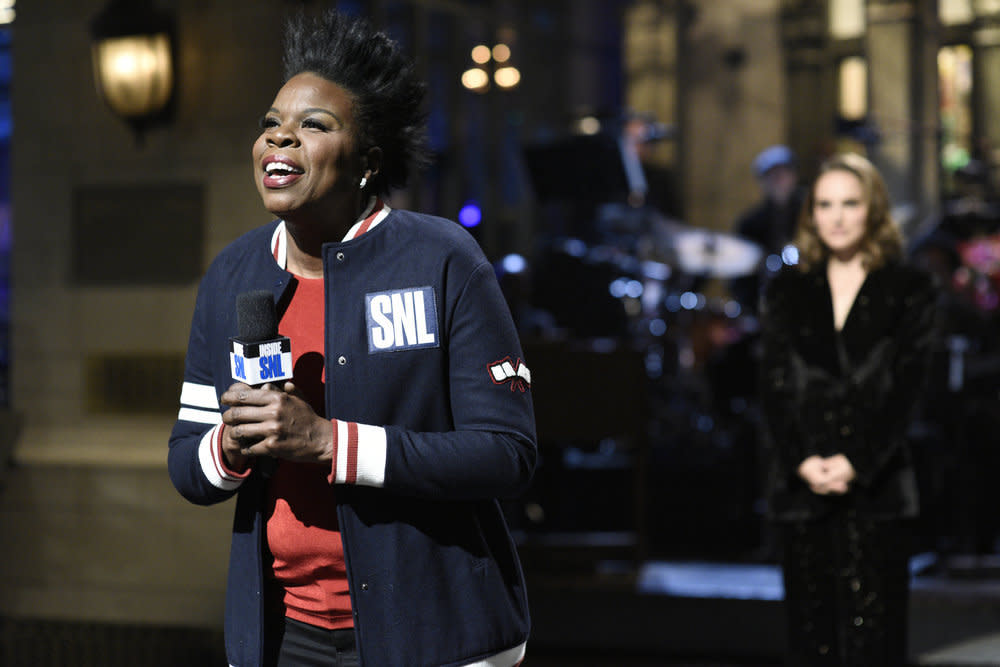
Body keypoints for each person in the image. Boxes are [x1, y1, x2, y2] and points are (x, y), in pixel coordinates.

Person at [167, 9, 537, 667]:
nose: (281, 139)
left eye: (313, 125)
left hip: (435, 632)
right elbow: (186, 464)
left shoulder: (443, 260)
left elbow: (506, 455)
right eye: (271, 124)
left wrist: (329, 441)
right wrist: (233, 441)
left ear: (368, 161)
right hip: (285, 635)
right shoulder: (231, 275)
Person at [759, 153, 937, 666]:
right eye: (825, 204)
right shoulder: (787, 292)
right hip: (802, 487)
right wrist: (801, 460)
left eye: (850, 203)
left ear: (873, 210)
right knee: (810, 639)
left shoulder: (909, 290)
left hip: (877, 489)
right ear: (810, 213)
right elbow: (773, 390)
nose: (837, 217)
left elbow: (909, 391)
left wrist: (857, 460)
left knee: (875, 640)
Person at [730, 145, 805, 311]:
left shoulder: (812, 215)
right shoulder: (750, 223)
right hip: (765, 303)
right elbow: (738, 272)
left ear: (794, 176)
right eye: (772, 175)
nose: (778, 179)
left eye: (783, 172)